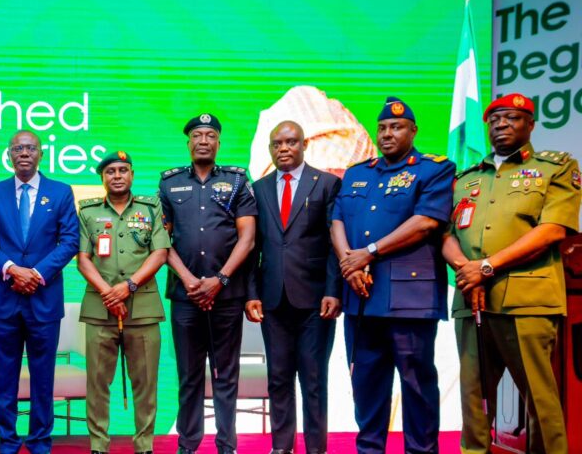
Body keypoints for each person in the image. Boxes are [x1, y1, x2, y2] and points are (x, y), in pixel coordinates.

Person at [442, 93, 580, 453]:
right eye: (495, 119)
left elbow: (553, 230)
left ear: (531, 124)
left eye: (513, 118)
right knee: (473, 399)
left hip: (527, 301)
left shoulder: (556, 168)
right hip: (471, 300)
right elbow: (446, 235)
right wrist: (465, 269)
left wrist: (486, 266)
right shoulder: (465, 179)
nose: (501, 125)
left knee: (539, 398)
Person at [330, 97, 455, 454]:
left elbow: (426, 223)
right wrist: (347, 262)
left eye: (397, 127)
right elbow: (336, 220)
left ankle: (421, 450)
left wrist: (367, 254)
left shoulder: (434, 169)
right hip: (361, 299)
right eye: (382, 127)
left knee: (416, 384)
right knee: (366, 383)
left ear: (413, 131)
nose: (387, 134)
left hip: (408, 300)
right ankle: (369, 450)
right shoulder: (357, 172)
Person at [0, 130, 79, 454]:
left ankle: (39, 441)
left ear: (41, 154)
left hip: (44, 301)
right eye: (18, 148)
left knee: (42, 376)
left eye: (30, 148)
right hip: (5, 300)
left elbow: (70, 241)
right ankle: (7, 440)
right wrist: (11, 269)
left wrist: (36, 273)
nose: (24, 153)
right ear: (8, 155)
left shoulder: (61, 192)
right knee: (4, 376)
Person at [158, 113, 258, 454]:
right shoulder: (169, 184)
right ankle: (187, 446)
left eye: (210, 135)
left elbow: (247, 239)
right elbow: (162, 241)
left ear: (218, 142)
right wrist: (189, 282)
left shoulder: (237, 181)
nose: (203, 140)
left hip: (227, 296)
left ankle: (226, 446)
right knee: (188, 377)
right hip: (185, 298)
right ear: (188, 142)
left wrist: (220, 279)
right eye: (197, 135)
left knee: (226, 377)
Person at [245, 121, 341, 454]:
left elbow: (334, 245)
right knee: (279, 378)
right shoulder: (258, 188)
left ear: (304, 145)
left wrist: (334, 290)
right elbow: (252, 248)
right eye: (277, 144)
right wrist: (252, 294)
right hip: (273, 300)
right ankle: (281, 447)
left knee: (313, 380)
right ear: (270, 149)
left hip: (316, 301)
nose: (283, 149)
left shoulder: (327, 183)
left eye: (290, 142)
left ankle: (317, 448)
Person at [76, 151, 169, 454]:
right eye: (110, 171)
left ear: (131, 174)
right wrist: (109, 293)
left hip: (142, 309)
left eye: (122, 170)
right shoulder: (88, 212)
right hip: (100, 310)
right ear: (102, 178)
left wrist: (127, 287)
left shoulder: (150, 208)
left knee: (145, 384)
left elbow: (160, 253)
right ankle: (98, 445)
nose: (117, 176)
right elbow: (83, 259)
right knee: (98, 384)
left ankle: (144, 445)